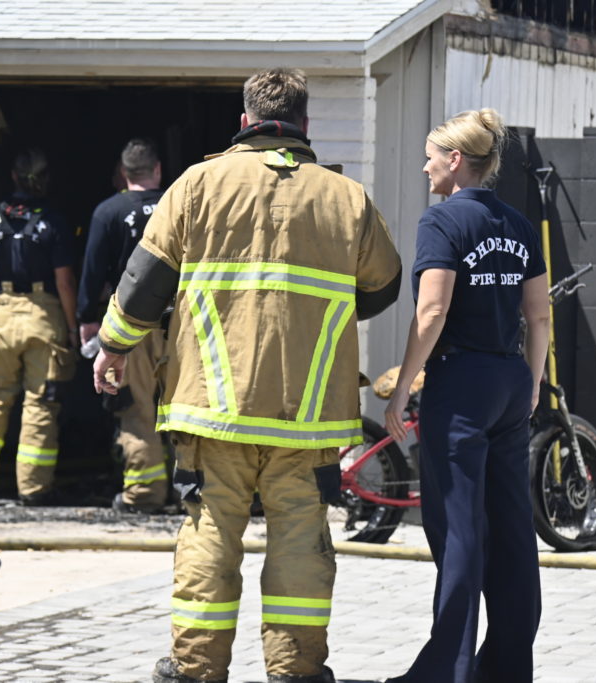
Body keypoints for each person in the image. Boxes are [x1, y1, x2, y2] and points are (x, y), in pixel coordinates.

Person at [93, 68, 402, 683]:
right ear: (304, 124)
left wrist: (113, 347)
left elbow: (144, 285)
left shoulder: (196, 185)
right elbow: (383, 286)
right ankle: (296, 670)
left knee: (210, 533)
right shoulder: (347, 199)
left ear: (244, 122)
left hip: (214, 410)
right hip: (308, 416)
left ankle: (195, 669)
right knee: (301, 541)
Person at [381, 109, 549, 683]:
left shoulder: (442, 221)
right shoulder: (518, 224)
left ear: (455, 161)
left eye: (430, 156)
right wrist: (532, 382)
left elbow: (432, 311)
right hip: (509, 380)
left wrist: (402, 388)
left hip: (461, 385)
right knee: (512, 527)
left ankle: (445, 670)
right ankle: (506, 666)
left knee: (458, 529)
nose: (424, 167)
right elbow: (540, 315)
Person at [0, 147, 78, 506]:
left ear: (12, 176)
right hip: (44, 316)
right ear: (46, 179)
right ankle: (34, 488)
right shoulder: (54, 223)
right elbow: (65, 283)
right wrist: (73, 326)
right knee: (40, 404)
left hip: (0, 315)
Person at [78, 139, 168, 513]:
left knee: (137, 409)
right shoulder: (179, 204)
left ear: (123, 173)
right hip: (184, 324)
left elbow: (92, 271)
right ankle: (196, 489)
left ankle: (145, 493)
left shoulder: (108, 212)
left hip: (132, 325)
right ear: (158, 170)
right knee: (190, 408)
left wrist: (87, 319)